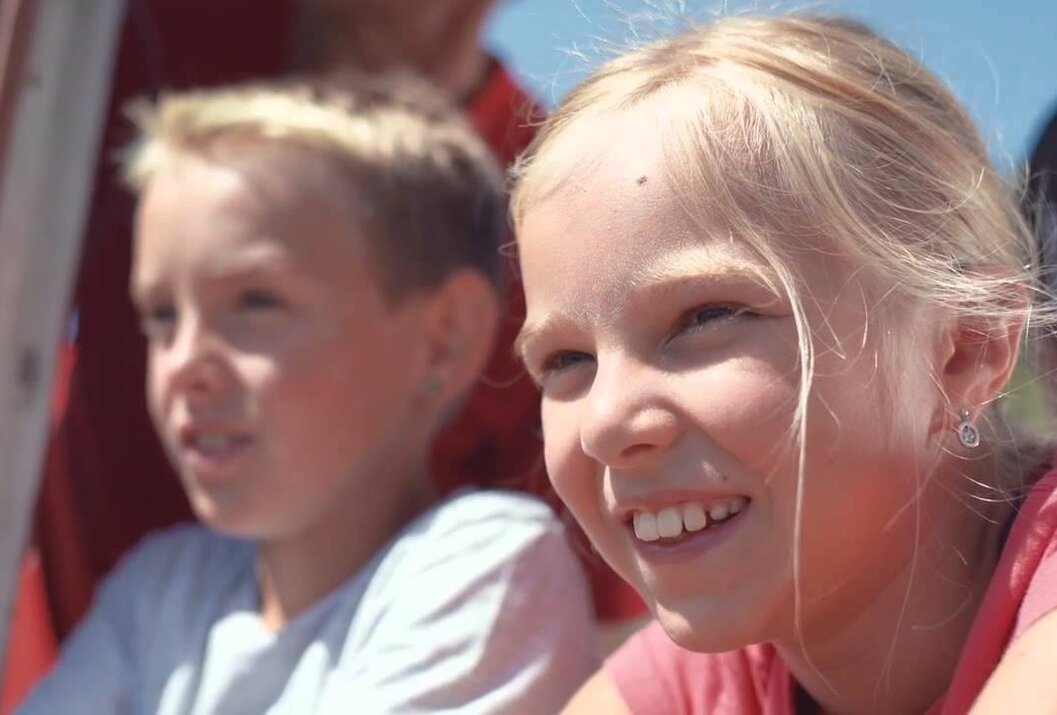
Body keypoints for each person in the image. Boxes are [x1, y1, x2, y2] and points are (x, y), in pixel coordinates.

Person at [510, 14, 1057, 714]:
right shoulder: (687, 687)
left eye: (706, 316)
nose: (603, 423)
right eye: (565, 360)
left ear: (965, 349)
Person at [19, 72, 597, 714]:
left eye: (256, 302)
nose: (183, 364)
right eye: (161, 316)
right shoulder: (157, 592)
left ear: (444, 340)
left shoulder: (490, 566)